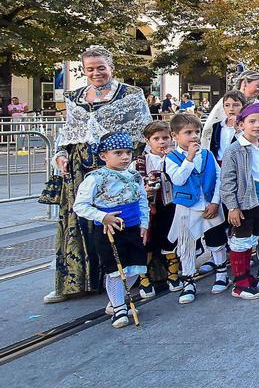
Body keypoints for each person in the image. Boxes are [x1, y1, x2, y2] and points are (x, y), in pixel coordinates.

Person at [46, 46, 151, 304]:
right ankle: (75, 283)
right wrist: (60, 153)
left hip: (117, 168)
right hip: (80, 168)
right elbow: (68, 131)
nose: (96, 73)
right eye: (90, 69)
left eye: (101, 67)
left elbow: (144, 131)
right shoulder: (75, 96)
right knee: (79, 222)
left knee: (120, 221)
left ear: (111, 67)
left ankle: (123, 284)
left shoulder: (130, 94)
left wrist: (132, 164)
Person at [73, 131, 149, 328]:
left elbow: (142, 201)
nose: (125, 157)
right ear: (104, 156)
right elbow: (80, 205)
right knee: (115, 269)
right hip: (110, 231)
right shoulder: (95, 178)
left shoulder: (135, 176)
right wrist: (103, 216)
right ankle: (118, 307)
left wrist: (144, 223)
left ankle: (116, 299)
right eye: (118, 153)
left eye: (128, 152)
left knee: (135, 266)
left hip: (132, 227)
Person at [219, 103, 259, 300]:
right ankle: (239, 283)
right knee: (240, 240)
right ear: (240, 125)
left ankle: (248, 276)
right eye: (252, 121)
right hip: (243, 203)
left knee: (251, 239)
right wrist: (232, 207)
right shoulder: (234, 150)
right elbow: (227, 181)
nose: (257, 125)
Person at [164, 113, 223, 304]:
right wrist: (188, 159)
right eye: (188, 132)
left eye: (196, 132)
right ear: (175, 136)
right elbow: (178, 179)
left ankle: (222, 273)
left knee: (216, 240)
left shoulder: (207, 154)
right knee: (186, 245)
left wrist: (215, 202)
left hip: (209, 204)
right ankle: (188, 280)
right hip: (187, 206)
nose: (194, 136)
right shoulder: (171, 158)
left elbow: (219, 178)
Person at [134, 121, 180, 299]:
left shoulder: (174, 157)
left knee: (170, 239)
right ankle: (145, 280)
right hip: (148, 208)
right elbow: (134, 183)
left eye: (165, 138)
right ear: (148, 140)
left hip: (169, 204)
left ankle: (173, 275)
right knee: (147, 242)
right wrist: (144, 189)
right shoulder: (140, 161)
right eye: (156, 139)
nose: (161, 142)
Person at [201, 70, 259, 148]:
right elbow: (208, 132)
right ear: (244, 84)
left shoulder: (258, 105)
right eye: (258, 86)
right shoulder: (226, 101)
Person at [209, 91, 246, 162]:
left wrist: (238, 130)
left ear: (243, 107)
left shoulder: (245, 127)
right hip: (219, 162)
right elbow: (213, 147)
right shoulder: (217, 126)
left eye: (236, 105)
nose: (231, 108)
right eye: (227, 105)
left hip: (236, 163)